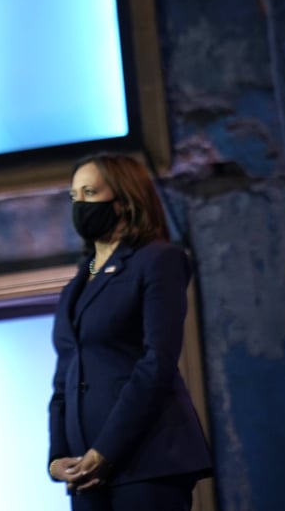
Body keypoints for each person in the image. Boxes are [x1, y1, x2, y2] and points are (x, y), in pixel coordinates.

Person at [48, 152, 212, 510]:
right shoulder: (77, 283)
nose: (80, 205)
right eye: (74, 196)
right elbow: (64, 376)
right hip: (85, 473)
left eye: (89, 193)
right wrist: (58, 456)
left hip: (146, 460)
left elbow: (158, 362)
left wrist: (105, 451)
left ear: (123, 201)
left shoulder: (157, 260)